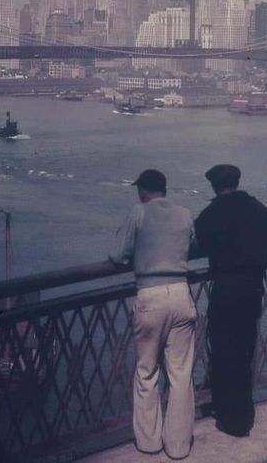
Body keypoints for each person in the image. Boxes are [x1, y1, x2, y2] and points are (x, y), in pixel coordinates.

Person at [109, 169, 197, 460]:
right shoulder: (185, 213)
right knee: (181, 374)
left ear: (144, 190)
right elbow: (193, 248)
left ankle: (148, 443)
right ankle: (179, 446)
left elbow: (118, 254)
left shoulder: (139, 212)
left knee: (147, 372)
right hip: (182, 294)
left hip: (150, 296)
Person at [194, 164, 267, 438]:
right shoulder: (260, 211)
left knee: (223, 350)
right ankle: (245, 414)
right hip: (253, 288)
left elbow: (198, 242)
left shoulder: (212, 214)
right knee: (244, 351)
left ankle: (230, 417)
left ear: (214, 186)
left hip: (226, 289)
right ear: (237, 182)